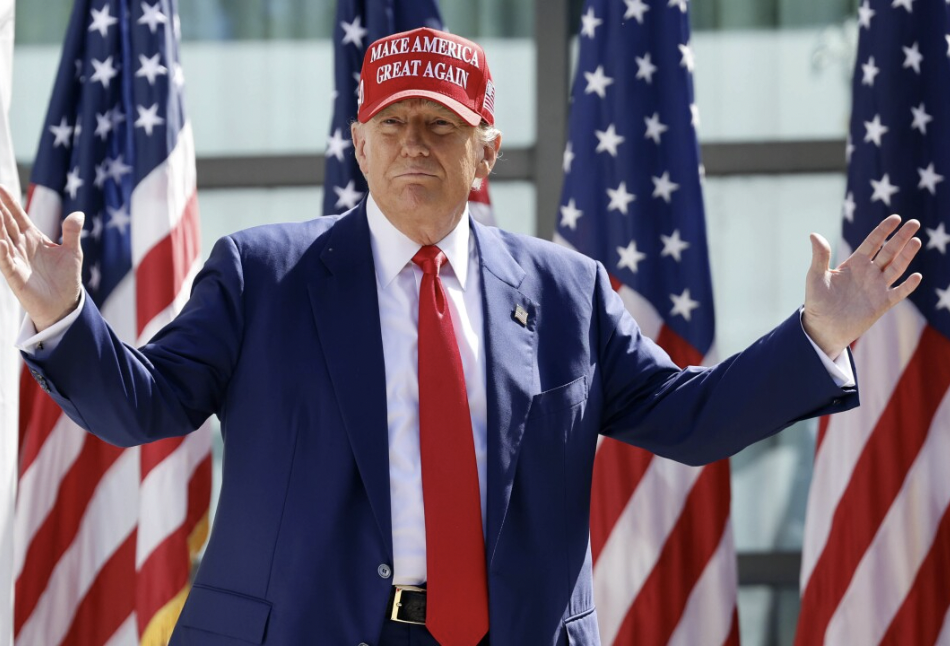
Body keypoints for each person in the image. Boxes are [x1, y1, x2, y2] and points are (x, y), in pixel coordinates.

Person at [0, 27, 922, 646]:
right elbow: (144, 405)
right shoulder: (262, 276)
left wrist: (817, 335)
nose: (415, 146)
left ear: (485, 151)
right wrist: (64, 319)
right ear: (358, 145)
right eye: (393, 124)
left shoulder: (565, 291)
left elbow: (687, 419)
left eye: (441, 127)